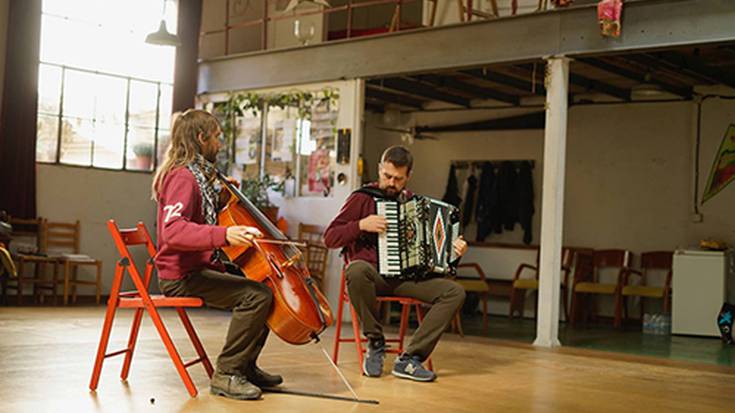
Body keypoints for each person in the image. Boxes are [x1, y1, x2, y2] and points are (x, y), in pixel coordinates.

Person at [151, 109, 281, 400]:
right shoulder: (184, 177)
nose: (220, 145)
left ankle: (245, 365)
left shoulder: (198, 176)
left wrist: (219, 197)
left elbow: (199, 216)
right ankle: (227, 373)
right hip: (182, 277)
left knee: (267, 287)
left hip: (197, 268)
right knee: (256, 295)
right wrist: (224, 236)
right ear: (201, 138)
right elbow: (172, 232)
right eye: (217, 138)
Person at [324, 145, 468, 382]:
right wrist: (361, 225)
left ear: (408, 176)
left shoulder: (413, 202)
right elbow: (330, 237)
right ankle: (375, 341)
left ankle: (410, 359)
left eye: (398, 179)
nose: (391, 183)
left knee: (454, 292)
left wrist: (455, 251)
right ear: (380, 169)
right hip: (372, 279)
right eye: (387, 176)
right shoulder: (362, 198)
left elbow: (438, 255)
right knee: (357, 269)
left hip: (406, 279)